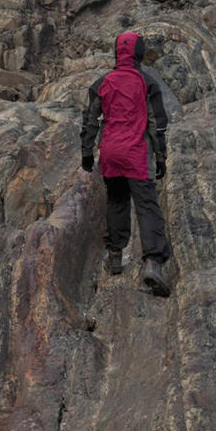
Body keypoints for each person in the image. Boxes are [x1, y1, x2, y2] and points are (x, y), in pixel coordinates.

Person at [80, 31, 171, 296]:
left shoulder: (102, 82)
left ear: (117, 53)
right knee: (146, 205)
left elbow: (90, 120)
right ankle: (153, 263)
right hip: (136, 153)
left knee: (116, 200)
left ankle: (115, 257)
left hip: (110, 152)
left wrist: (86, 153)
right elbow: (157, 124)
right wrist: (161, 156)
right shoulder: (147, 83)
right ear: (140, 54)